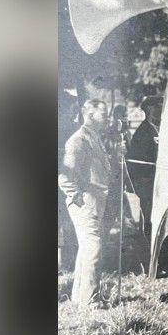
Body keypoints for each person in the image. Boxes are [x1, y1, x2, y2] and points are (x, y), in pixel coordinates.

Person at [58, 99, 113, 306]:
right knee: (93, 247)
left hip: (95, 201)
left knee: (87, 248)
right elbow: (64, 177)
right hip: (84, 203)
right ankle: (90, 302)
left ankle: (80, 298)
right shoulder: (78, 140)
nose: (108, 118)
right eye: (104, 114)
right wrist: (77, 197)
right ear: (89, 115)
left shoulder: (94, 138)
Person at [127, 97, 160, 237]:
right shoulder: (144, 131)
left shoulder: (158, 128)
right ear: (149, 110)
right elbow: (137, 160)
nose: (161, 110)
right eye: (158, 107)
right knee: (147, 215)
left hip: (154, 180)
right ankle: (145, 242)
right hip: (145, 180)